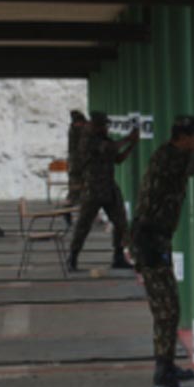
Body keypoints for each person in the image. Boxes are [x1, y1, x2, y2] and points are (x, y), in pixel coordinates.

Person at [130, 116, 194, 387]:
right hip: (149, 241)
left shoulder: (170, 154)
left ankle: (167, 367)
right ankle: (162, 378)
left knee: (168, 310)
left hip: (154, 239)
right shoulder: (172, 157)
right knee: (167, 311)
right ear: (184, 138)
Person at [67, 110, 139, 271]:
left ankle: (118, 256)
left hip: (108, 186)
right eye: (104, 125)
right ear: (96, 125)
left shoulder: (101, 138)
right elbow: (109, 148)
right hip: (93, 188)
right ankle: (72, 257)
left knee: (121, 223)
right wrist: (128, 138)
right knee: (83, 225)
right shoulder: (88, 140)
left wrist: (132, 144)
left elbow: (118, 159)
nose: (107, 128)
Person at [66, 109, 88, 205]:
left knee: (75, 186)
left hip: (75, 162)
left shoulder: (73, 129)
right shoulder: (76, 130)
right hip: (77, 162)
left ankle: (70, 204)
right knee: (77, 186)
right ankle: (70, 205)